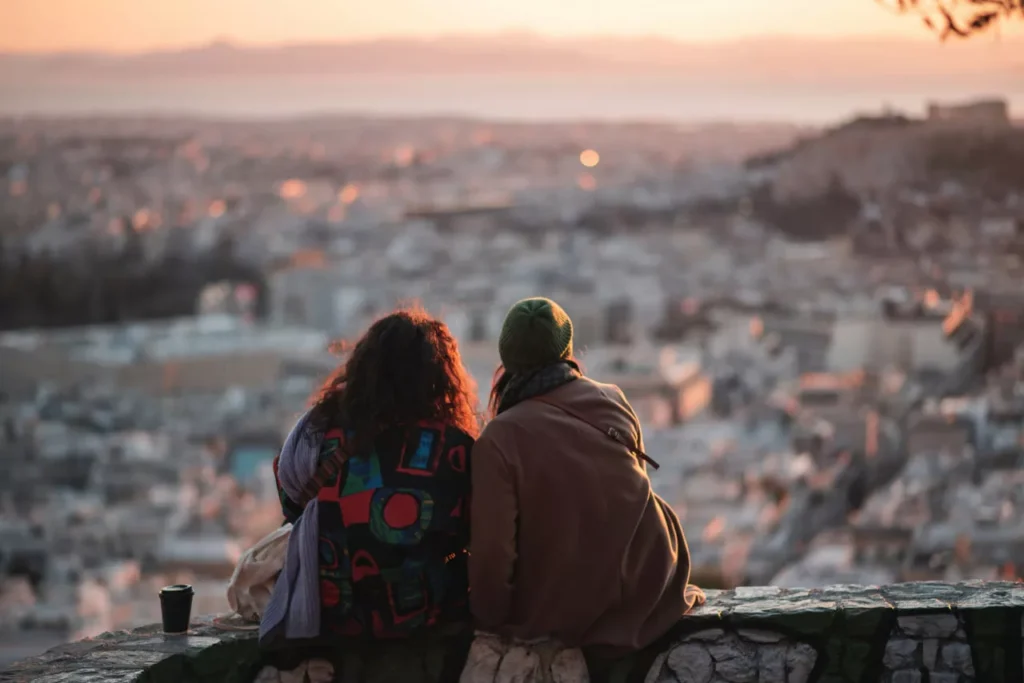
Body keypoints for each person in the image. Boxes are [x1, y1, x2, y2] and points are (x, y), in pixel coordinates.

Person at [469, 297, 704, 678]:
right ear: (566, 349)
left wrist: (492, 619)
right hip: (650, 587)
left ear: (507, 357)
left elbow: (493, 553)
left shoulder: (499, 438)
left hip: (560, 611)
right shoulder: (611, 399)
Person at [261, 307, 479, 675]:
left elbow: (291, 506)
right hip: (423, 618)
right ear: (439, 377)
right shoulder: (454, 448)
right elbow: (471, 529)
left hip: (331, 616)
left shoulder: (317, 436)